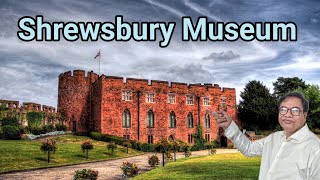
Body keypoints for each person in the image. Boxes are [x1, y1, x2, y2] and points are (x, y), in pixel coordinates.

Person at [213, 92, 320, 180]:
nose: (287, 114)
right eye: (283, 109)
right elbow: (249, 149)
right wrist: (229, 126)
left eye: (295, 110)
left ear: (305, 115)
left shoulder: (315, 149)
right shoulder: (273, 138)